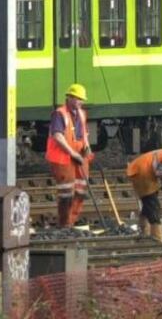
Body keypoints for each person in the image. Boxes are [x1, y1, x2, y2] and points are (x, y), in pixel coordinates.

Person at [46, 84, 92, 228]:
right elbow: (58, 136)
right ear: (69, 98)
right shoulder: (60, 114)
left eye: (82, 99)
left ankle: (71, 222)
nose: (80, 102)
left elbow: (84, 133)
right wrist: (72, 153)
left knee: (81, 189)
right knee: (66, 193)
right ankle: (64, 224)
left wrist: (87, 147)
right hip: (63, 157)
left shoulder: (81, 113)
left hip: (79, 154)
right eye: (78, 98)